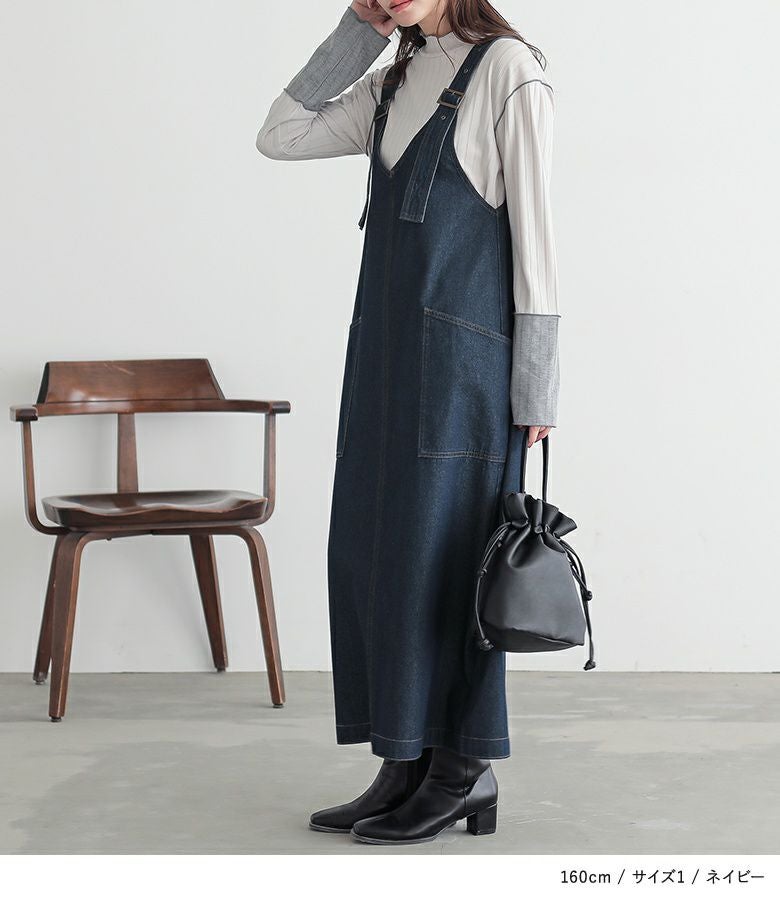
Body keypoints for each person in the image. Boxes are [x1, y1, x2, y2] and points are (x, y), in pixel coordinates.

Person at [256, 0, 558, 845]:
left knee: (453, 565)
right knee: (378, 554)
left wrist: (537, 389)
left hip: (465, 372)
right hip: (385, 361)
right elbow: (279, 134)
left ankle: (462, 770)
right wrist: (358, 35)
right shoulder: (393, 79)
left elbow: (538, 237)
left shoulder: (508, 71)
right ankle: (403, 756)